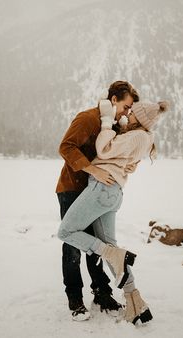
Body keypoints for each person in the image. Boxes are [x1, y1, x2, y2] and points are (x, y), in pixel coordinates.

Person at [57, 97, 170, 324]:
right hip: (111, 191)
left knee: (66, 232)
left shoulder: (136, 135)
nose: (129, 113)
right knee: (111, 247)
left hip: (101, 189)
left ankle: (110, 257)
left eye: (133, 111)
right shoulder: (140, 136)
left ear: (140, 118)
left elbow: (104, 149)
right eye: (128, 108)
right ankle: (135, 302)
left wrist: (108, 122)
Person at [56, 81, 140, 320]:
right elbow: (66, 147)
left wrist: (126, 165)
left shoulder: (112, 125)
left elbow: (113, 156)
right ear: (114, 100)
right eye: (126, 106)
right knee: (73, 244)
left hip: (96, 192)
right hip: (72, 188)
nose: (127, 112)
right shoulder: (88, 118)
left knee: (96, 243)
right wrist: (93, 170)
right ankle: (75, 298)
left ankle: (101, 291)